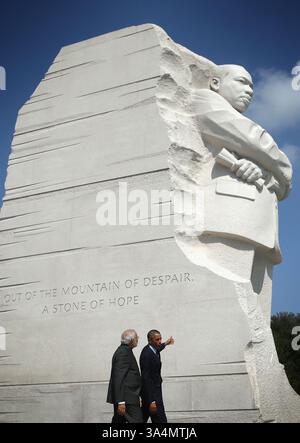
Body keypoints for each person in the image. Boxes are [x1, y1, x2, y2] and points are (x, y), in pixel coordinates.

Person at [174, 64, 292, 321]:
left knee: (259, 314)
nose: (249, 90)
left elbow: (282, 186)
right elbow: (254, 140)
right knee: (232, 311)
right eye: (241, 82)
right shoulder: (203, 99)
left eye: (252, 85)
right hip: (231, 218)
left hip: (260, 225)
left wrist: (266, 171)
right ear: (215, 83)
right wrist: (280, 166)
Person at [106, 329, 143, 423]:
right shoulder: (123, 352)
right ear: (131, 340)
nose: (138, 339)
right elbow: (118, 377)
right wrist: (121, 402)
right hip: (127, 399)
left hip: (128, 397)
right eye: (136, 337)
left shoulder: (126, 350)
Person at [140, 330, 174, 423]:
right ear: (150, 340)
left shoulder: (154, 349)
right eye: (157, 339)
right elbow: (145, 378)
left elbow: (158, 348)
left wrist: (166, 343)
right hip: (152, 393)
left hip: (154, 391)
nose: (160, 341)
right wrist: (152, 401)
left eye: (160, 339)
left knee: (144, 417)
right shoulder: (146, 354)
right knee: (160, 419)